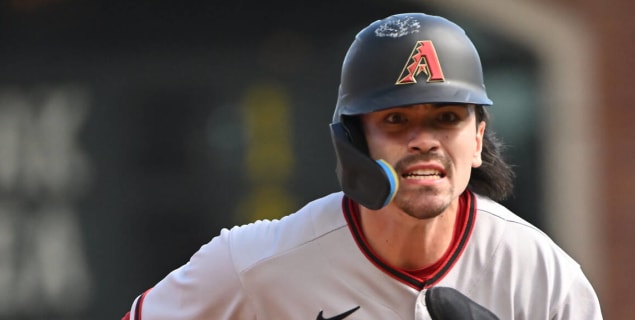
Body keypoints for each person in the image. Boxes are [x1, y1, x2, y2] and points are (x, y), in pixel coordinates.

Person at [122, 12, 603, 319]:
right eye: (396, 119)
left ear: (477, 139)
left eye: (447, 118)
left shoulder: (542, 276)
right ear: (354, 140)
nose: (424, 141)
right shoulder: (259, 264)